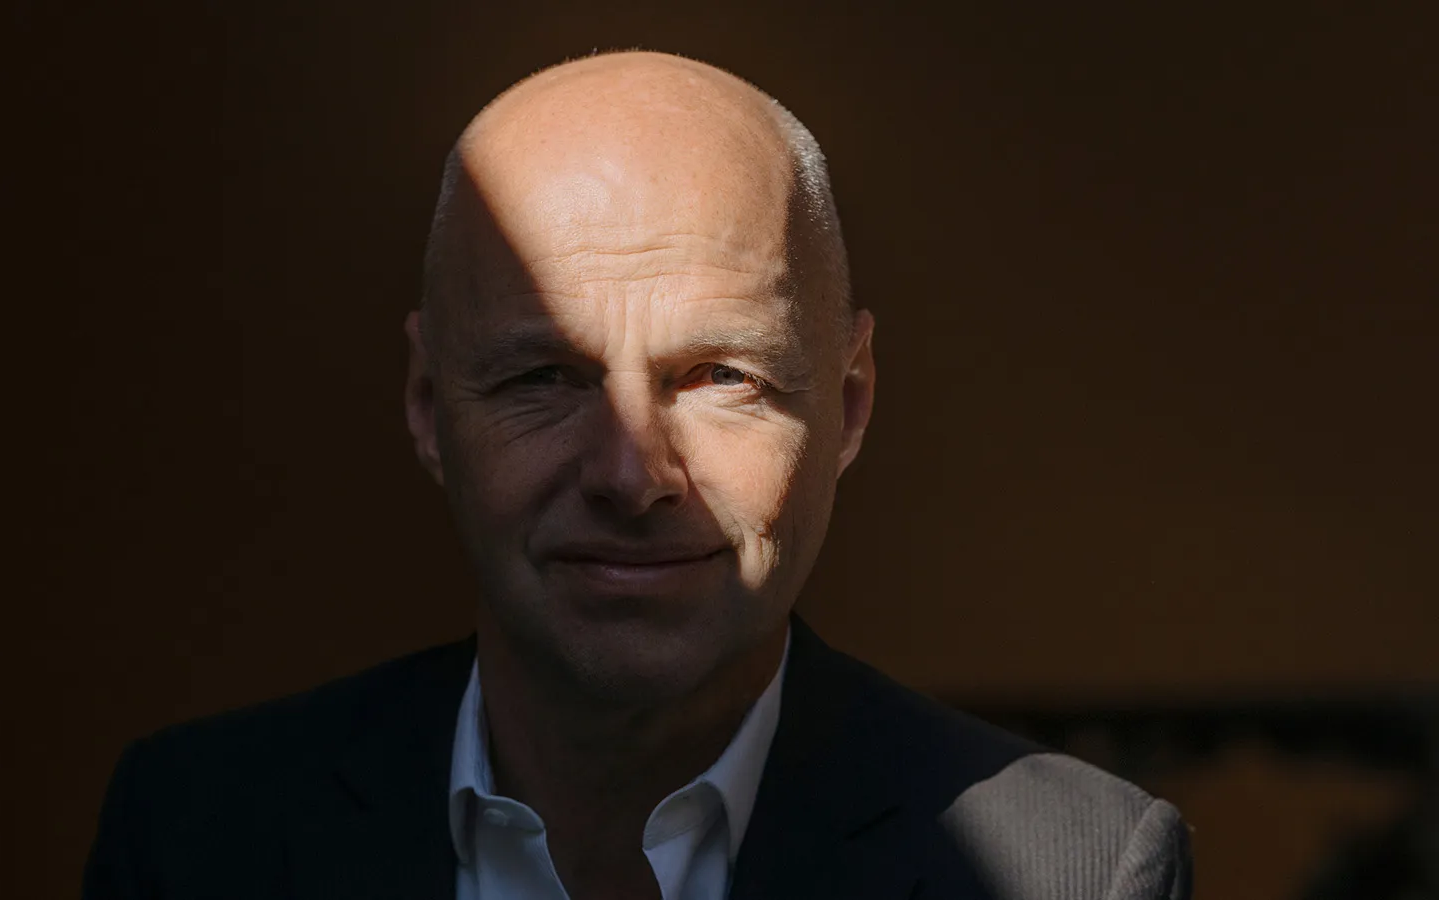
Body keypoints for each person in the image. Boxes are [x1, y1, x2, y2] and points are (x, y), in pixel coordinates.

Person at [83, 50, 1191, 900]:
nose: (630, 472)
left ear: (848, 404)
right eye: (543, 376)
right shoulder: (197, 836)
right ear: (429, 407)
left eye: (719, 375)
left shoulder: (1073, 874)